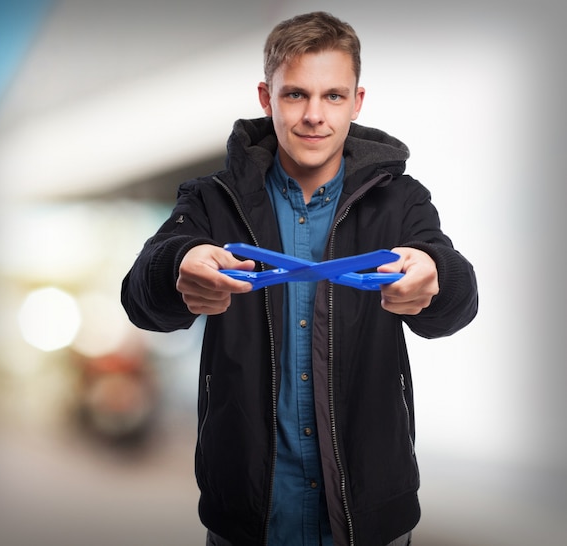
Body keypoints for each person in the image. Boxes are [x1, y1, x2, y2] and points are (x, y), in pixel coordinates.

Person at [121, 11, 477, 546]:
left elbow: (459, 299)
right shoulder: (211, 199)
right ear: (267, 99)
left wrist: (436, 275)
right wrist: (178, 265)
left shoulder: (402, 200)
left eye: (333, 96)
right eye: (295, 95)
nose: (314, 115)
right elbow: (139, 296)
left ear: (357, 102)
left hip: (371, 509)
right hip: (246, 509)